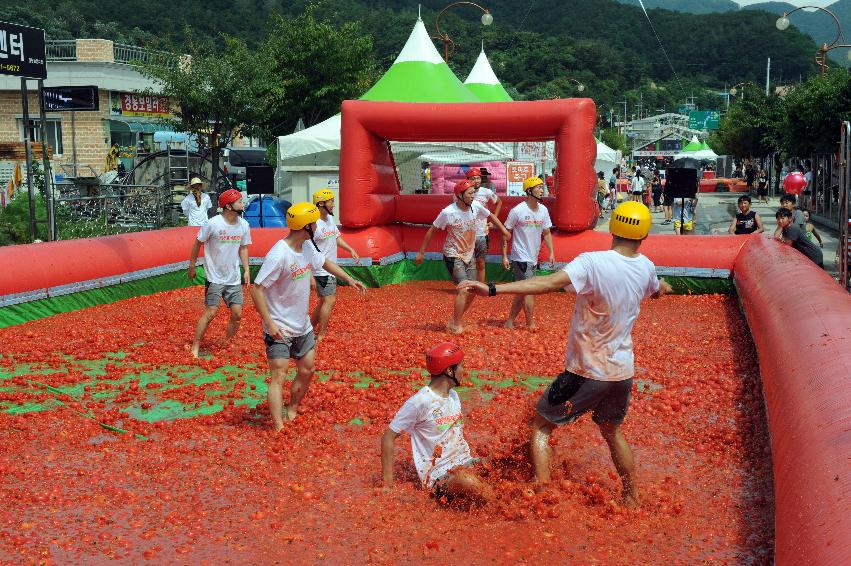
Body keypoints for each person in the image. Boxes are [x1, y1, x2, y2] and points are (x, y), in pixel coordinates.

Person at [460, 202, 672, 507]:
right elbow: (656, 288)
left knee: (541, 426)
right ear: (645, 235)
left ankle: (542, 491)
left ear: (613, 228)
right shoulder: (647, 267)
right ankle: (631, 496)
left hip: (585, 370)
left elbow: (547, 283)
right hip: (622, 372)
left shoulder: (592, 263)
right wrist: (665, 286)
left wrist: (492, 289)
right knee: (612, 431)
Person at [251, 202, 367, 430]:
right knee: (278, 376)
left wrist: (349, 279)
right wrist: (269, 322)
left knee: (307, 370)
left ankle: (292, 406)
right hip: (280, 328)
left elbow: (324, 262)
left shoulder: (306, 247)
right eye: (313, 223)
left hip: (302, 325)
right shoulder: (279, 255)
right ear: (306, 227)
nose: (316, 227)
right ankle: (278, 427)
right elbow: (257, 289)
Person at [381, 342, 495, 504]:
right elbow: (387, 437)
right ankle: (501, 507)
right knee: (467, 481)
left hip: (465, 463)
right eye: (461, 366)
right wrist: (388, 484)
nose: (464, 371)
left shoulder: (453, 395)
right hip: (439, 476)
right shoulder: (420, 402)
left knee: (501, 462)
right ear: (450, 371)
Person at [414, 179, 510, 334]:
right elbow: (432, 231)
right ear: (459, 195)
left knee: (474, 290)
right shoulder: (448, 212)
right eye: (470, 193)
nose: (473, 196)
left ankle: (454, 319)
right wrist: (421, 252)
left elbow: (491, 216)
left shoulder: (476, 206)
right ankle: (456, 325)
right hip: (453, 255)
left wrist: (503, 230)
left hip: (468, 254)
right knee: (464, 289)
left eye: (474, 193)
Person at [187, 189, 251, 358]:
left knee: (237, 314)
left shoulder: (244, 225)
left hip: (234, 278)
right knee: (211, 312)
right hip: (215, 277)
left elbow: (244, 247)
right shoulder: (213, 224)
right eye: (239, 202)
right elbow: (197, 243)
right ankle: (195, 345)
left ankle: (227, 342)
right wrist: (192, 266)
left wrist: (246, 269)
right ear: (228, 206)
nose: (242, 204)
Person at [502, 177, 555, 330]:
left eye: (541, 187)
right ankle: (530, 323)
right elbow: (506, 233)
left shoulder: (543, 210)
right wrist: (505, 255)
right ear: (529, 191)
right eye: (538, 187)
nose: (541, 190)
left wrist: (551, 252)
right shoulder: (517, 211)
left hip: (533, 257)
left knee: (522, 291)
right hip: (520, 257)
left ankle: (510, 321)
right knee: (529, 289)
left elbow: (546, 233)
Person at [309, 189, 361, 341]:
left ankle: (310, 328)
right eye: (331, 201)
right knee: (329, 301)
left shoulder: (329, 220)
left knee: (324, 302)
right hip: (321, 270)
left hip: (331, 268)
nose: (333, 205)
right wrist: (310, 275)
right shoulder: (315, 224)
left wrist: (350, 249)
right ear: (321, 204)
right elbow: (307, 250)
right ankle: (321, 334)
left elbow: (336, 238)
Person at [468, 167, 503, 283]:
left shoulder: (486, 192)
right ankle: (469, 286)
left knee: (481, 262)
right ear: (468, 179)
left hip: (482, 233)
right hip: (467, 233)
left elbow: (499, 202)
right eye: (473, 178)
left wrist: (493, 221)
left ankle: (481, 286)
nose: (476, 181)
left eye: (478, 178)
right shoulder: (462, 193)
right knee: (468, 262)